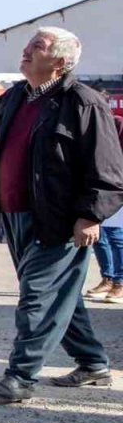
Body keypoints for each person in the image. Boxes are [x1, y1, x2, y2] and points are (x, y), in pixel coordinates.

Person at [0, 27, 123, 402]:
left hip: (59, 219)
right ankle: (93, 363)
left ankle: (20, 378)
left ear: (60, 61)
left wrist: (90, 216)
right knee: (59, 295)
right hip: (14, 215)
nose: (26, 50)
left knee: (38, 297)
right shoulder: (17, 95)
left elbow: (108, 169)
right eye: (29, 44)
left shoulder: (84, 103)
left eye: (38, 46)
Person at [86, 102, 123, 303]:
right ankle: (107, 278)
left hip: (115, 188)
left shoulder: (117, 124)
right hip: (96, 189)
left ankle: (120, 282)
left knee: (116, 236)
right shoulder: (88, 127)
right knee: (99, 236)